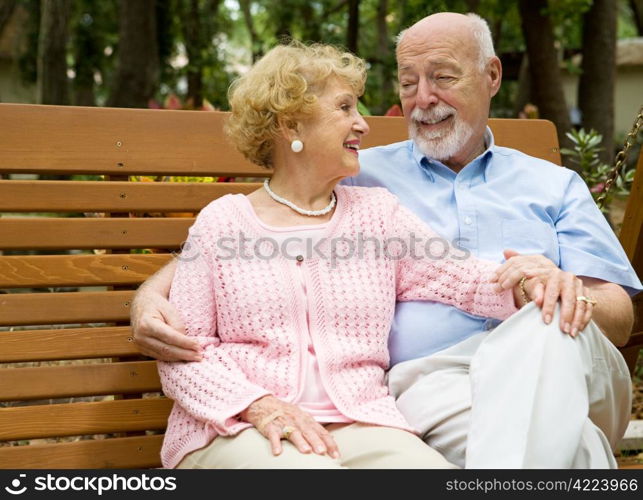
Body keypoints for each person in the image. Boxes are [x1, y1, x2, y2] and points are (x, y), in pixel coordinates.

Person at [132, 14, 642, 468]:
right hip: (394, 395)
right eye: (406, 83)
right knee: (574, 447)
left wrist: (537, 285)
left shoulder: (383, 210)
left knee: (541, 329)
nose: (366, 122)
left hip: (533, 366)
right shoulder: (336, 185)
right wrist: (152, 294)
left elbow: (463, 277)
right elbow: (241, 258)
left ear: (491, 76)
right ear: (292, 125)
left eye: (442, 77)